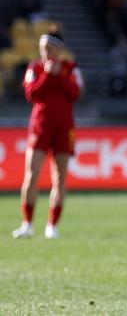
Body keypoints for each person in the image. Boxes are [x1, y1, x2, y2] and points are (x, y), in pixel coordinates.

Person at [12, 24, 83, 239]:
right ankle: (27, 223)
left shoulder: (71, 69)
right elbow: (31, 94)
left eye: (49, 49)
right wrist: (47, 76)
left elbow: (76, 92)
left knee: (60, 177)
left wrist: (59, 75)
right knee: (31, 173)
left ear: (58, 50)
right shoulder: (34, 69)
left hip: (64, 127)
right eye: (43, 48)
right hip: (40, 126)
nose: (45, 52)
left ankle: (52, 225)